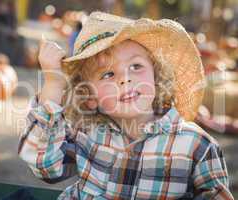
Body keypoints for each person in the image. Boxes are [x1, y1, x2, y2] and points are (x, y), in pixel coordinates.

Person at [18, 12, 234, 199]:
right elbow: (44, 167)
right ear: (89, 96)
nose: (125, 79)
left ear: (156, 78)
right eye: (108, 74)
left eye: (136, 66)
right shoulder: (85, 134)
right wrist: (54, 83)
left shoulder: (196, 145)